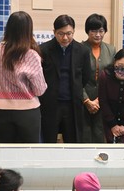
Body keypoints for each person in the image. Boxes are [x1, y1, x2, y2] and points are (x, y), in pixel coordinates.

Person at [0, 11, 47, 143]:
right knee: (28, 155)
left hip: (1, 110)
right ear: (28, 30)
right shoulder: (30, 54)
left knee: (5, 154)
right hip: (27, 111)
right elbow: (40, 89)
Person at [39, 15, 91, 143]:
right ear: (54, 32)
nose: (65, 38)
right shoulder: (43, 50)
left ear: (73, 32)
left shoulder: (83, 50)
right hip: (50, 104)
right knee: (48, 140)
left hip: (72, 104)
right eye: (60, 34)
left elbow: (85, 76)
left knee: (73, 141)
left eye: (69, 33)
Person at [82, 14, 116, 143]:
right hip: (82, 100)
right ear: (87, 31)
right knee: (83, 136)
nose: (97, 35)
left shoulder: (111, 50)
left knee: (100, 135)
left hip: (103, 101)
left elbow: (112, 77)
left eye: (101, 31)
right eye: (93, 31)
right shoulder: (80, 49)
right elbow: (76, 78)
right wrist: (86, 100)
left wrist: (99, 99)